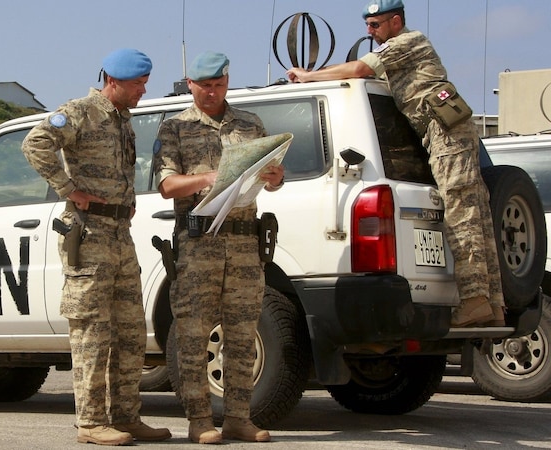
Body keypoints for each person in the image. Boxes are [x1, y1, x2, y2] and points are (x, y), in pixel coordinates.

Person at [286, 0, 505, 328]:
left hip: (445, 132)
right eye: (368, 25)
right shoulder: (399, 56)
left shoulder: (406, 42)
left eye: (375, 25)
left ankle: (475, 300)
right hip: (447, 133)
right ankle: (492, 304)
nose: (369, 32)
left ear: (396, 21)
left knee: (463, 214)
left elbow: (360, 69)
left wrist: (308, 77)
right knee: (477, 214)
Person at [21, 48, 171, 446]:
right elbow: (35, 144)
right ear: (114, 81)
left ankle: (126, 416)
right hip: (88, 234)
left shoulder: (122, 118)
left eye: (144, 83)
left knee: (130, 332)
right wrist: (68, 189)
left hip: (119, 235)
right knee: (91, 331)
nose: (143, 90)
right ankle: (90, 422)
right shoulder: (81, 111)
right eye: (138, 84)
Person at [154, 51, 284, 444]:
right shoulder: (174, 128)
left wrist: (276, 177)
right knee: (192, 335)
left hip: (245, 243)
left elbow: (269, 179)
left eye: (219, 85)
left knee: (242, 335)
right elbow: (166, 186)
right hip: (198, 245)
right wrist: (206, 178)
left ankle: (239, 418)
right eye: (204, 86)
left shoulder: (250, 123)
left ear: (228, 81)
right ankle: (199, 421)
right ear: (190, 84)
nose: (212, 93)